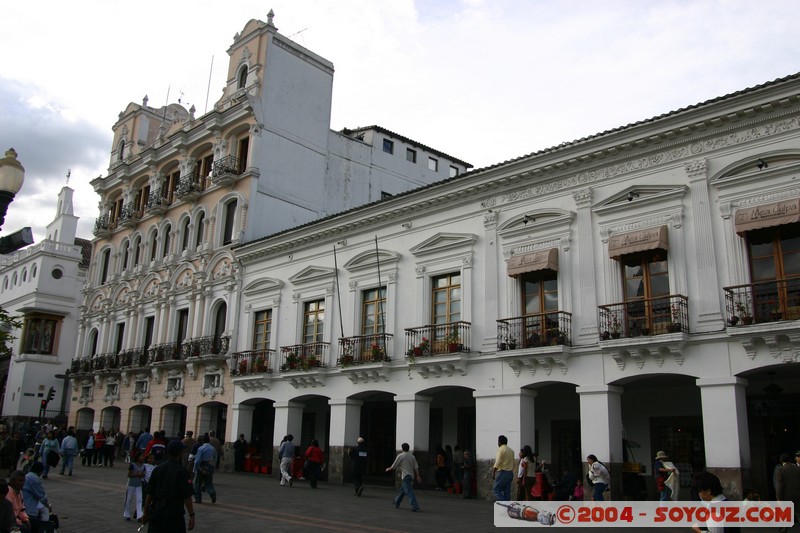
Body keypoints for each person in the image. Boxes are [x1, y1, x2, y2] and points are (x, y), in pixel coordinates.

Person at [141, 440, 195, 533]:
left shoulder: (158, 468)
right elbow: (187, 496)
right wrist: (191, 515)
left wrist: (146, 512)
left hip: (157, 511)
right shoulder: (182, 471)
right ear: (180, 453)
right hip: (174, 513)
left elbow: (149, 493)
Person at [386, 442, 421, 512]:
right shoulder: (412, 456)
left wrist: (388, 469)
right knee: (402, 491)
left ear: (402, 448)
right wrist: (418, 476)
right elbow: (416, 468)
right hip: (411, 476)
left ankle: (415, 506)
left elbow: (394, 466)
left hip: (405, 476)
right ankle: (397, 502)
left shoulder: (401, 456)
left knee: (409, 491)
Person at [23, 462, 54, 533]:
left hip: (25, 505)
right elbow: (42, 497)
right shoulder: (34, 479)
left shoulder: (27, 476)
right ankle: (45, 526)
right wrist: (48, 505)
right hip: (30, 510)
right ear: (40, 471)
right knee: (45, 510)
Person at [776, 452, 800, 531]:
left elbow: (780, 485)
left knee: (785, 513)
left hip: (786, 496)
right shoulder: (797, 469)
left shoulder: (781, 470)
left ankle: (784, 528)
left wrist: (779, 498)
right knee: (798, 513)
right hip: (797, 495)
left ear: (781, 460)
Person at [192, 435, 217, 504]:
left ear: (203, 441)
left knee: (198, 483)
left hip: (202, 466)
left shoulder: (201, 448)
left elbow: (197, 460)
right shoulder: (213, 448)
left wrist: (195, 468)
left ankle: (198, 498)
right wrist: (213, 468)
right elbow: (215, 459)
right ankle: (212, 492)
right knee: (208, 482)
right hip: (209, 466)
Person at [491, 435, 515, 501]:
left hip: (503, 472)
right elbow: (513, 462)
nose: (498, 443)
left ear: (500, 442)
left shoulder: (501, 449)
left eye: (498, 442)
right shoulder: (511, 451)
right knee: (507, 492)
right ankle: (507, 507)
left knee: (496, 490)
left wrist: (494, 472)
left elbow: (498, 461)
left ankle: (503, 504)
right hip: (510, 473)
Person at [124, 452, 146, 522]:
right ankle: (126, 514)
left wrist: (141, 475)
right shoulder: (133, 465)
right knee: (129, 499)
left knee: (140, 499)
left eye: (143, 457)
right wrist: (137, 474)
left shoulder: (143, 466)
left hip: (139, 484)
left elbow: (143, 474)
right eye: (141, 456)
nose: (142, 458)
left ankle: (139, 515)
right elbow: (129, 474)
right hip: (131, 484)